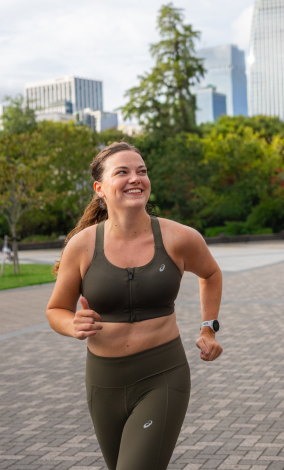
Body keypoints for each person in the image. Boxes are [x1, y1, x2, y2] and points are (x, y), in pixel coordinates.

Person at [46, 142, 223, 470]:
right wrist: (71, 324)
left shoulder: (178, 238)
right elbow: (56, 309)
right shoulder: (82, 247)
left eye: (141, 171)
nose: (135, 178)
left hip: (163, 376)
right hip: (103, 382)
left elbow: (211, 273)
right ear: (100, 189)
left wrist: (208, 327)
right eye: (123, 172)